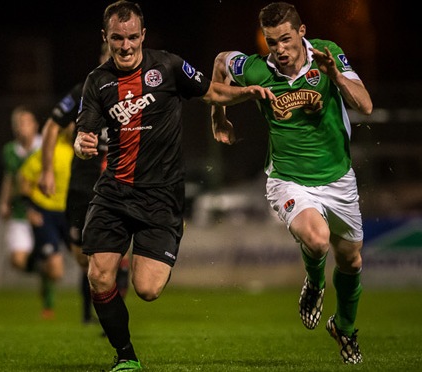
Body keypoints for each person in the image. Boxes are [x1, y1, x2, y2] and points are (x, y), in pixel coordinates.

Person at [73, 1, 273, 370]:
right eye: (117, 38)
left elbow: (211, 91)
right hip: (114, 190)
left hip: (161, 196)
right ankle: (126, 358)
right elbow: (83, 135)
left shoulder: (167, 65)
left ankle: (160, 243)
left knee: (147, 290)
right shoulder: (97, 81)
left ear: (142, 36)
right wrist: (82, 146)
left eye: (133, 37)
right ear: (106, 38)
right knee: (99, 276)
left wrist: (250, 92)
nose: (126, 45)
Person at [210, 2, 373, 364]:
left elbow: (365, 105)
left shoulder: (327, 54)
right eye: (272, 42)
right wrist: (218, 117)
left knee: (352, 261)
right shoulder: (255, 68)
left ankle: (344, 327)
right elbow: (222, 61)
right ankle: (315, 283)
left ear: (302, 32)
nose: (280, 50)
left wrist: (336, 76)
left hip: (339, 179)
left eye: (285, 39)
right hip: (288, 180)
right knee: (316, 241)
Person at [38, 43, 130, 326]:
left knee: (110, 256)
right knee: (82, 257)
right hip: (82, 185)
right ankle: (94, 305)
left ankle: (112, 319)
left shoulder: (134, 92)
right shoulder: (83, 91)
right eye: (108, 53)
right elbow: (52, 125)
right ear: (102, 57)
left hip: (116, 183)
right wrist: (47, 171)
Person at [18, 123, 75, 319]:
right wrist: (30, 209)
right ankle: (42, 270)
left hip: (68, 213)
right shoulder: (48, 150)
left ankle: (91, 314)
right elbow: (24, 177)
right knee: (56, 271)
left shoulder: (79, 150)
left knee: (86, 260)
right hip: (46, 213)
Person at [0, 105, 42, 272]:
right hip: (19, 210)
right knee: (17, 260)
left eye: (25, 122)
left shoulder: (44, 147)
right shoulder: (10, 150)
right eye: (18, 123)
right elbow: (9, 177)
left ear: (35, 125)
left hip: (41, 210)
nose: (21, 126)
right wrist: (3, 202)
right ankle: (39, 267)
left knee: (52, 263)